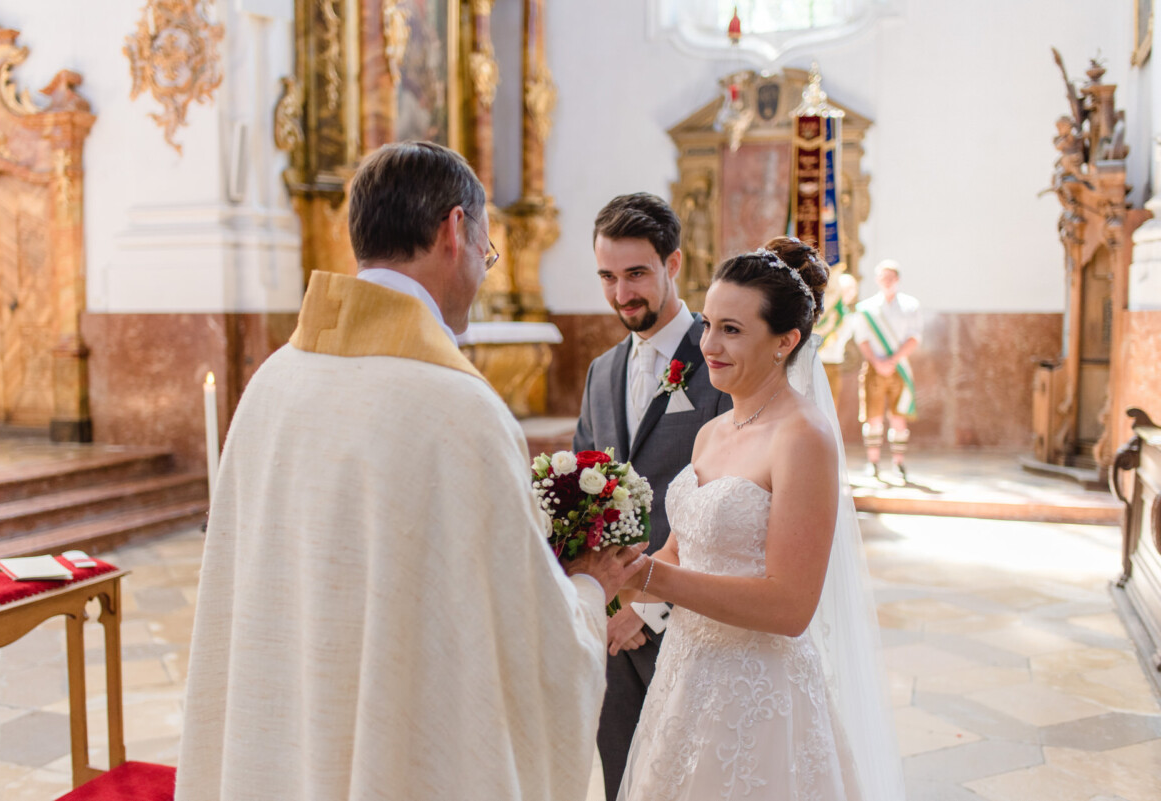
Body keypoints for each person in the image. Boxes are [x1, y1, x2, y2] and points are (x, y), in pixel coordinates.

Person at [174, 141, 646, 801]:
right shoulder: (458, 409)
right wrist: (591, 590)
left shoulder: (272, 381)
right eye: (487, 248)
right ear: (455, 230)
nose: (485, 267)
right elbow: (528, 644)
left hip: (287, 749)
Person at [616, 239, 905, 801]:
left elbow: (790, 606)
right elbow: (682, 549)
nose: (709, 346)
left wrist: (648, 578)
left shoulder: (805, 437)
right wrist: (603, 583)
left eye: (732, 330)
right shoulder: (712, 431)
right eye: (708, 326)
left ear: (786, 341)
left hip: (757, 693)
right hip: (684, 678)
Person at [573, 192, 732, 800]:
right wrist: (607, 599)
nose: (621, 294)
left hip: (692, 622)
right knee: (623, 780)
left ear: (674, 264)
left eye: (636, 273)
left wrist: (647, 603)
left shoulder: (721, 360)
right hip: (613, 628)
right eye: (608, 277)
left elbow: (731, 498)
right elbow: (582, 501)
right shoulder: (602, 371)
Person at [854, 259, 922, 481]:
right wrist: (877, 362)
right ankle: (873, 463)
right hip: (874, 367)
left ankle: (898, 464)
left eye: (891, 277)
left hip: (899, 367)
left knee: (898, 417)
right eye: (883, 277)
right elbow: (862, 339)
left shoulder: (910, 305)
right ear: (877, 280)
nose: (887, 281)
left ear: (898, 279)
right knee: (873, 417)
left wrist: (893, 360)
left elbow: (914, 337)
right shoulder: (867, 308)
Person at [815, 267, 858, 413]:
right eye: (845, 289)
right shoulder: (825, 313)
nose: (848, 293)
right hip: (815, 362)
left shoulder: (848, 317)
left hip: (834, 363)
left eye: (852, 289)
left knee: (831, 407)